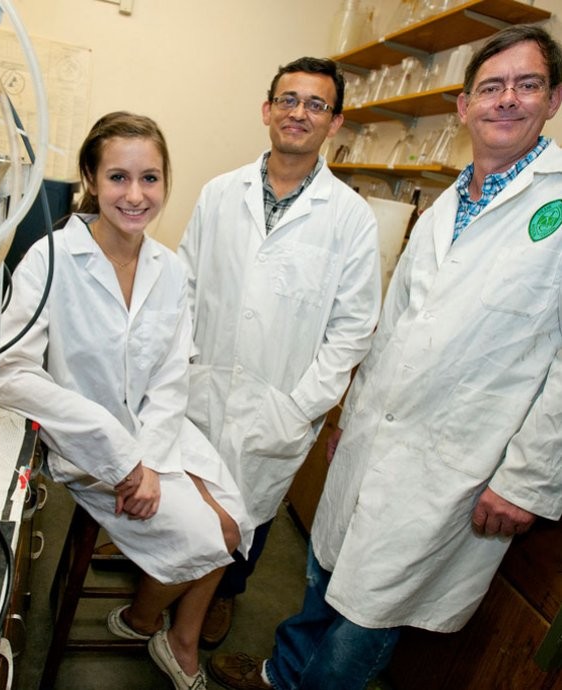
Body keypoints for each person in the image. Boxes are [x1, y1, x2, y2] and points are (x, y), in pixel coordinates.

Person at [209, 23, 562, 690]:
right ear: (464, 106)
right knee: (325, 573)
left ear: (553, 99)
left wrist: (530, 479)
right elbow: (393, 328)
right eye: (490, 86)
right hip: (377, 434)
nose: (506, 99)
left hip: (456, 460)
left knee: (368, 616)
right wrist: (349, 417)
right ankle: (280, 677)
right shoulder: (445, 206)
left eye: (526, 84)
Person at [0, 111, 254, 690]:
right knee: (210, 536)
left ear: (166, 182)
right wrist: (120, 455)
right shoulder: (53, 257)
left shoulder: (169, 267)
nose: (135, 196)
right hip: (87, 445)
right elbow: (10, 370)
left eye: (150, 179)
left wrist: (152, 461)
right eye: (118, 177)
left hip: (159, 432)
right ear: (91, 177)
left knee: (237, 520)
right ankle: (150, 624)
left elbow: (169, 375)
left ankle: (166, 631)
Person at [177, 56, 382, 648]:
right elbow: (185, 285)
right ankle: (167, 585)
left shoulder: (351, 219)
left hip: (279, 401)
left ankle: (221, 597)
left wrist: (300, 407)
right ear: (267, 110)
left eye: (316, 104)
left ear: (335, 122)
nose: (300, 113)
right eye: (289, 100)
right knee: (188, 499)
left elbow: (352, 329)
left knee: (250, 513)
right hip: (203, 383)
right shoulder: (221, 193)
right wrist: (180, 365)